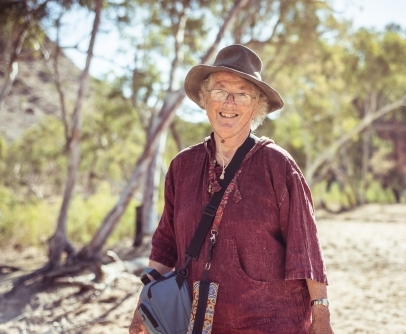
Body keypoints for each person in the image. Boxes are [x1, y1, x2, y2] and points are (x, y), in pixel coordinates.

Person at [129, 44, 333, 334]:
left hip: (269, 322)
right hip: (196, 323)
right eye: (220, 91)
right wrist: (143, 307)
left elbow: (306, 249)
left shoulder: (278, 165)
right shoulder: (182, 166)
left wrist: (321, 314)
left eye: (241, 94)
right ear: (205, 99)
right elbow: (165, 245)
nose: (229, 103)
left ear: (256, 106)